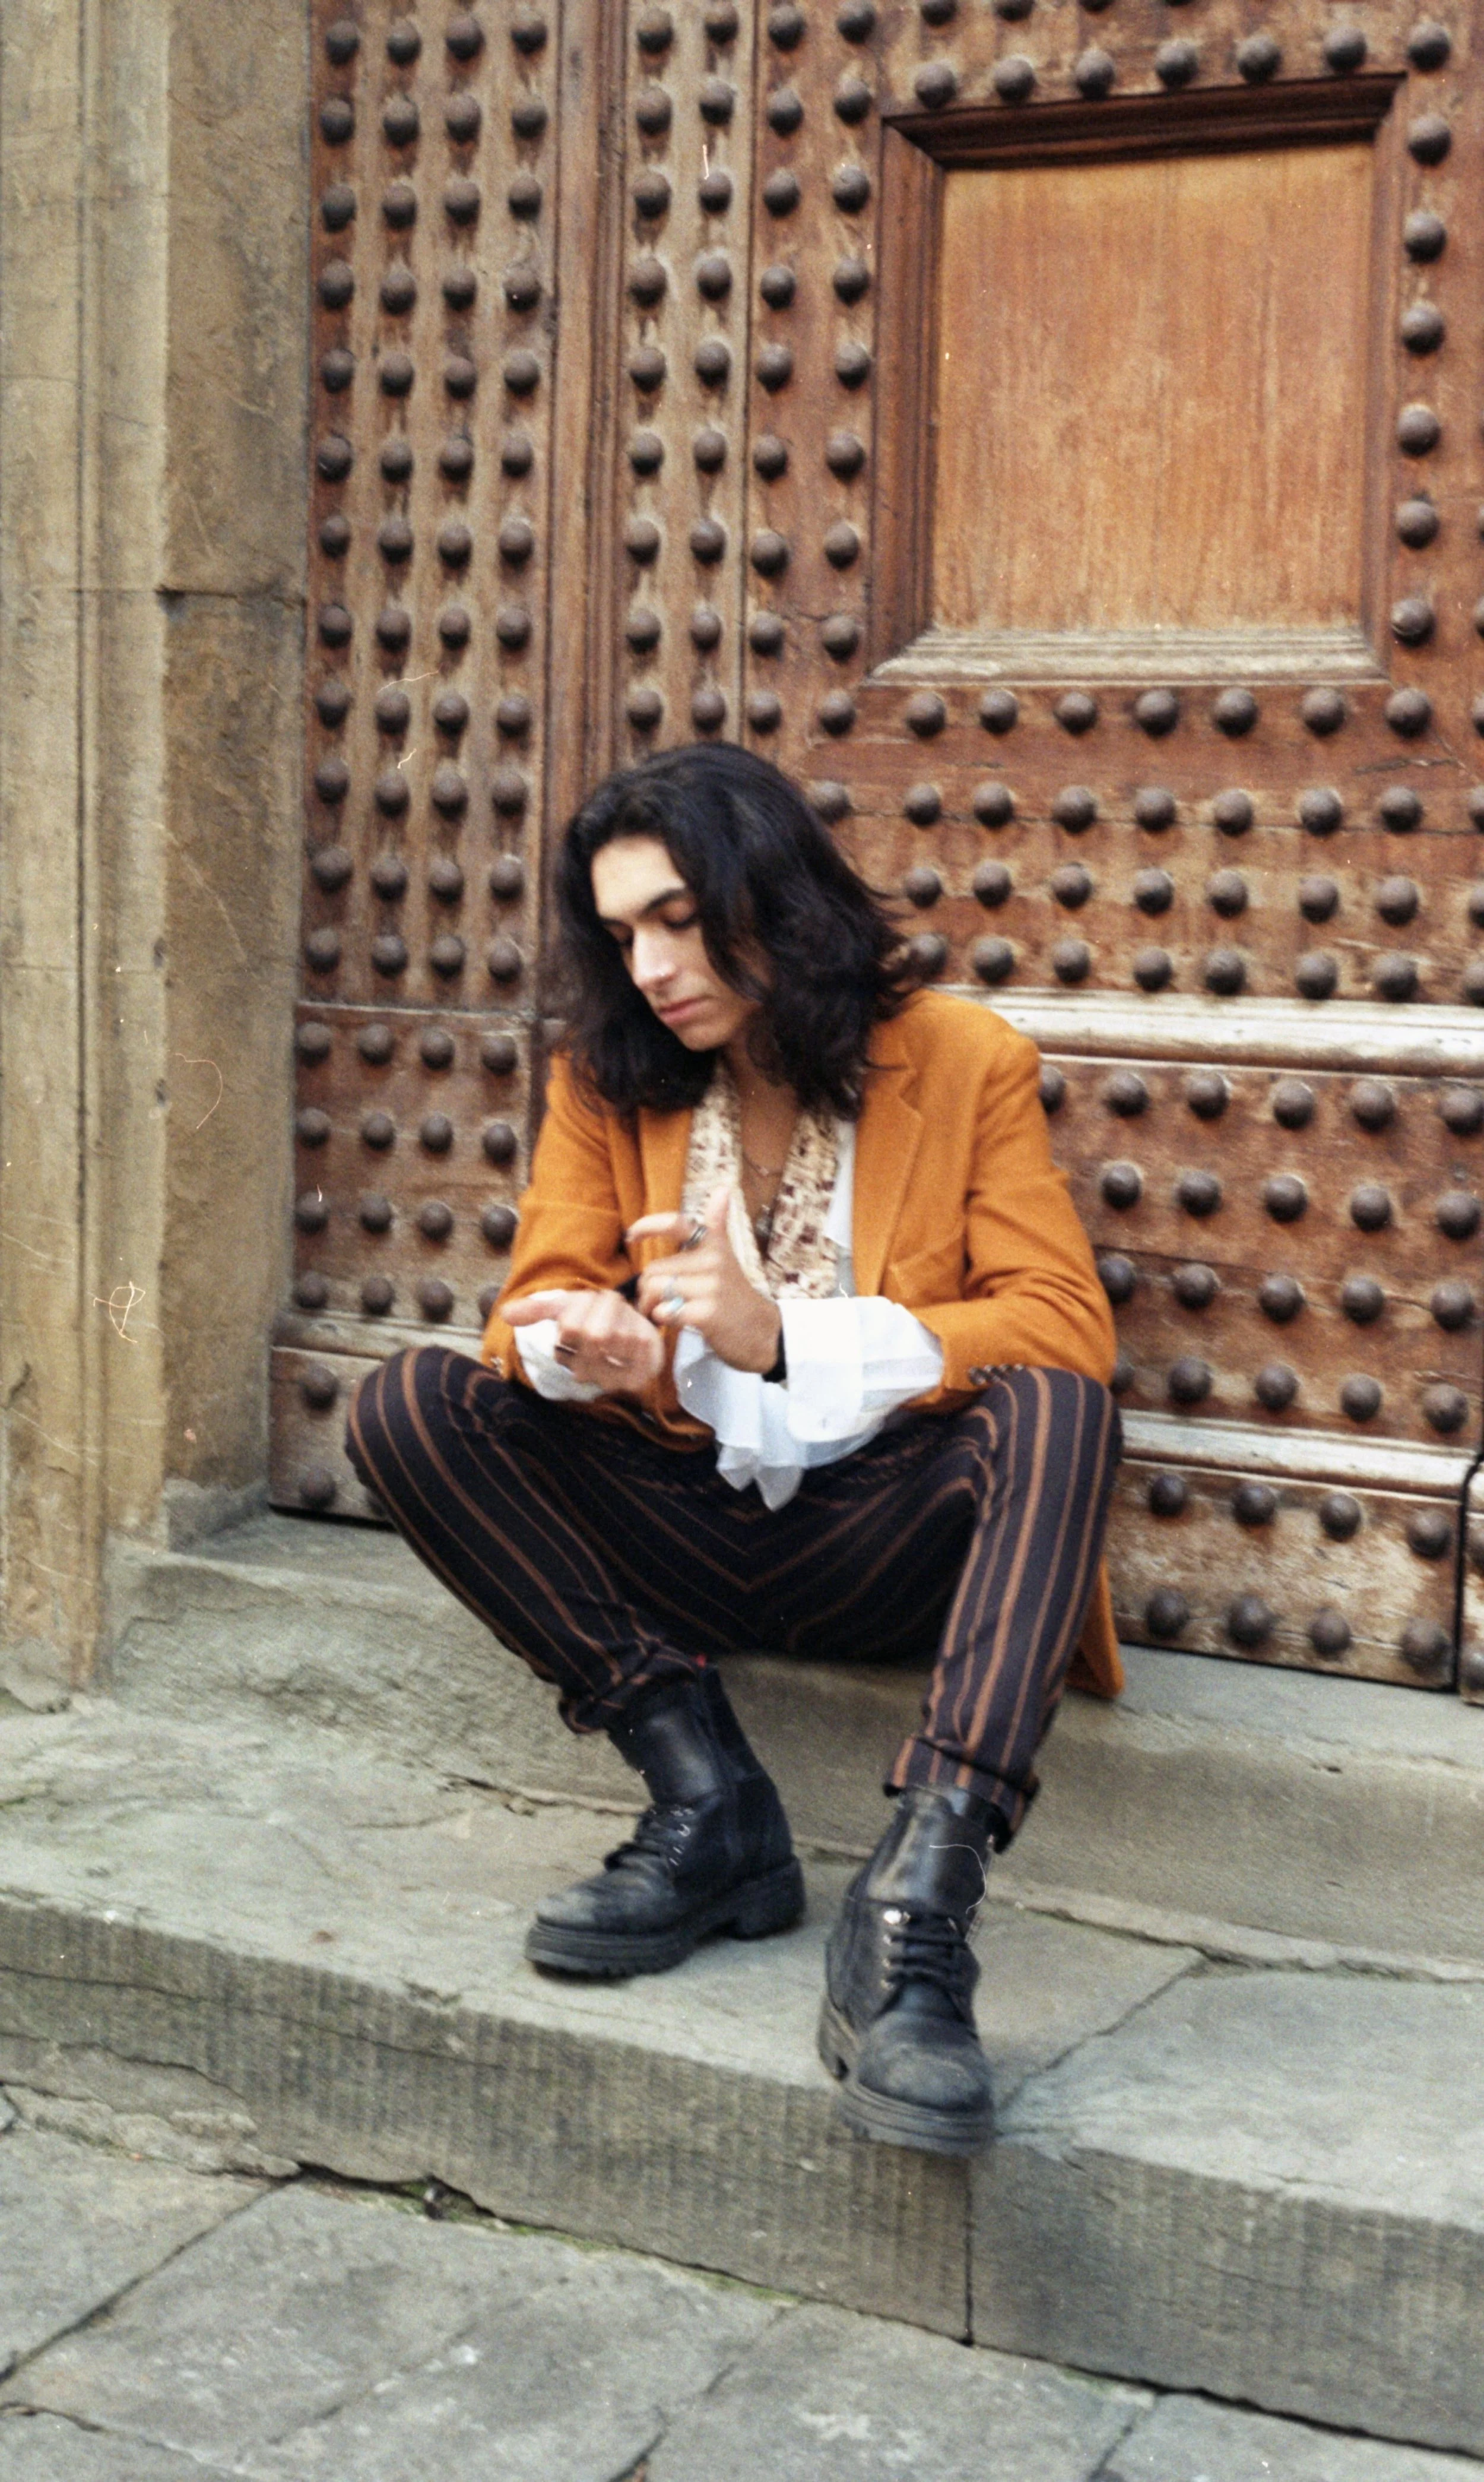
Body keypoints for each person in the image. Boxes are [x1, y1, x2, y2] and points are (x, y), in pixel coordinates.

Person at [347, 743, 1121, 2158]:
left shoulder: (961, 1061)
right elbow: (526, 1303)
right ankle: (706, 1803)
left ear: (771, 896)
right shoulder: (609, 1077)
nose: (647, 963)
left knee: (1058, 1406)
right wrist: (595, 1347)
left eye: (676, 917)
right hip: (680, 1527)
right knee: (409, 1401)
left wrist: (780, 1338)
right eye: (621, 930)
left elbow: (1060, 1324)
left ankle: (914, 1913)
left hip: (878, 1538)